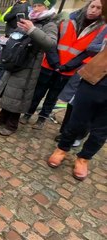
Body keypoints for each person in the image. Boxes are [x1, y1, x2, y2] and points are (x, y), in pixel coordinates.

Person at [21, 0, 104, 130]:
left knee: (53, 96)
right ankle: (27, 113)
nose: (93, 10)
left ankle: (42, 118)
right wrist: (54, 61)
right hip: (50, 63)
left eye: (99, 8)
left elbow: (89, 51)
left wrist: (69, 66)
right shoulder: (66, 19)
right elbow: (52, 40)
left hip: (69, 69)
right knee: (38, 92)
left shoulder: (101, 29)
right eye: (92, 6)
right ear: (87, 6)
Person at [47, 0, 107, 181]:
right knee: (77, 120)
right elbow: (92, 47)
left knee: (101, 131)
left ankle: (84, 158)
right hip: (94, 79)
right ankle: (62, 148)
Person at [0, 0, 58, 136]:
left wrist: (32, 29)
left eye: (40, 6)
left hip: (29, 65)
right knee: (9, 91)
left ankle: (12, 125)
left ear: (47, 7)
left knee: (18, 94)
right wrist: (7, 40)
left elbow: (51, 44)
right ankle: (1, 118)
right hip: (15, 60)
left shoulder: (49, 24)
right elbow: (17, 37)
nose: (36, 8)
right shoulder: (28, 19)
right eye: (35, 5)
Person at [55, 25, 107, 146]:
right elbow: (91, 47)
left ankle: (79, 140)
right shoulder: (104, 27)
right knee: (76, 106)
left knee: (98, 117)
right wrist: (104, 47)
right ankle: (65, 137)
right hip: (91, 73)